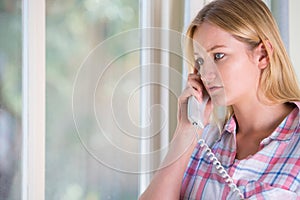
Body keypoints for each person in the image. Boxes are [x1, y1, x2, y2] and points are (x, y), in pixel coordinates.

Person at [139, 0, 300, 199]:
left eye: (219, 55)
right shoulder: (205, 140)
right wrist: (186, 131)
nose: (206, 74)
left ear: (263, 55)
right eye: (200, 61)